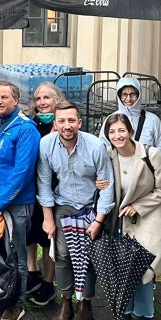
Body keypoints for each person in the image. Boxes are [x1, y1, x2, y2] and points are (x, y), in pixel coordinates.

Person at [37, 101, 115, 320]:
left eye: (71, 120)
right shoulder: (46, 144)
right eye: (61, 121)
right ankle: (66, 301)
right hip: (64, 204)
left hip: (91, 205)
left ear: (79, 122)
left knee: (88, 257)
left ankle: (85, 304)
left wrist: (99, 220)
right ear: (55, 123)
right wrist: (48, 218)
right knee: (63, 255)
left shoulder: (95, 146)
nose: (67, 125)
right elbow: (43, 182)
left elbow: (107, 184)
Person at [0, 80, 41, 320]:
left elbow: (21, 172)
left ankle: (17, 303)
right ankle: (3, 293)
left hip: (15, 204)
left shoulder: (26, 128)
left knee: (16, 256)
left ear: (15, 100)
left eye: (4, 97)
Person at [96, 114, 161, 320]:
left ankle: (144, 314)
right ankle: (123, 312)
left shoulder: (151, 154)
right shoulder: (108, 155)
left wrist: (138, 206)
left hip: (146, 219)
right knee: (121, 272)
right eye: (112, 131)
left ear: (130, 132)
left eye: (121, 130)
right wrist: (100, 185)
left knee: (142, 270)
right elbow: (103, 182)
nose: (117, 135)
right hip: (119, 223)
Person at [24, 82, 64, 306]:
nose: (42, 102)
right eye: (38, 99)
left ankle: (48, 283)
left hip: (56, 192)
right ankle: (33, 272)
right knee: (30, 235)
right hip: (32, 190)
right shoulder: (30, 125)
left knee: (49, 239)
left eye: (47, 98)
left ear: (56, 100)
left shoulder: (63, 126)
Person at [100, 77, 161, 148]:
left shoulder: (153, 120)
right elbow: (103, 146)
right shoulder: (110, 119)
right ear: (119, 96)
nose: (128, 99)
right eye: (124, 94)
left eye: (132, 94)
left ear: (138, 95)